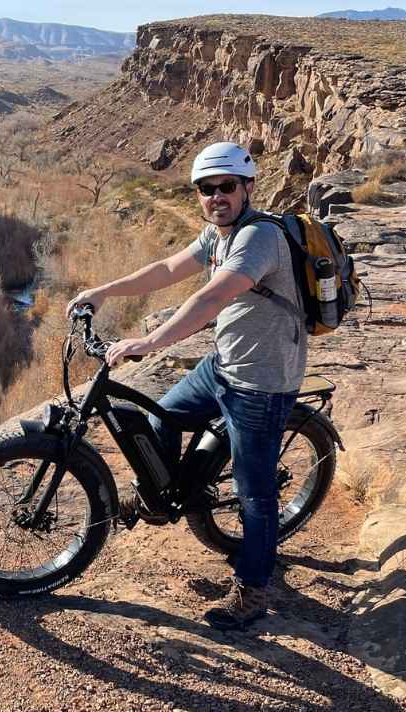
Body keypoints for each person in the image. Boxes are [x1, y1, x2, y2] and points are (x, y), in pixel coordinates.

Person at [64, 142, 306, 631]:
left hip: (262, 382)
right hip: (223, 365)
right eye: (205, 189)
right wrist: (101, 292)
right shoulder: (218, 234)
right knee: (160, 417)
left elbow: (216, 293)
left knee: (254, 492)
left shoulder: (258, 238)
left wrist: (150, 341)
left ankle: (253, 587)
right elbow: (167, 270)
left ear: (248, 188)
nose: (216, 196)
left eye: (226, 187)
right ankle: (165, 494)